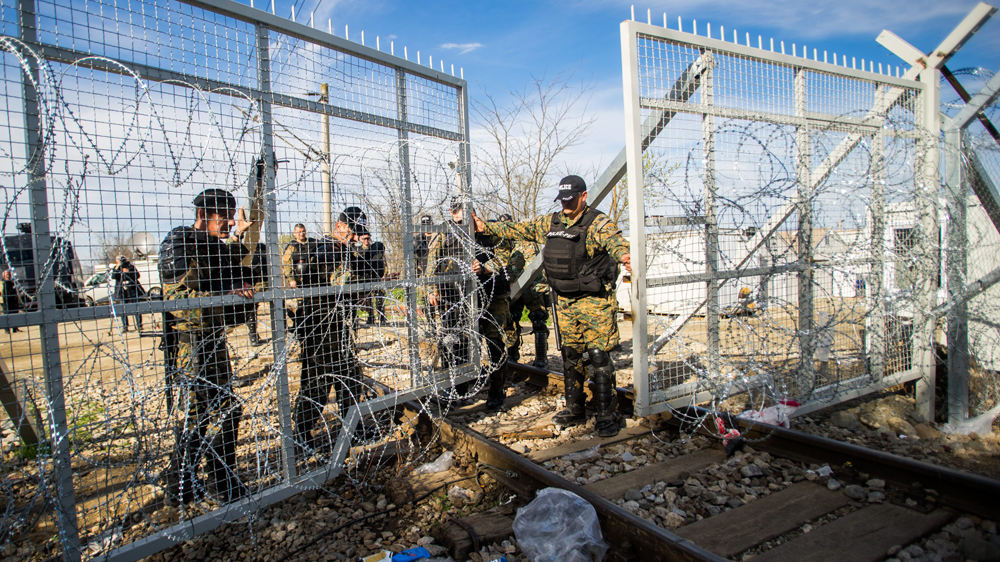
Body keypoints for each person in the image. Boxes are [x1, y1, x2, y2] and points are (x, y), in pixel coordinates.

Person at [473, 175, 632, 437]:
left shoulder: (598, 223)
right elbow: (519, 229)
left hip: (594, 302)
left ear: (584, 196)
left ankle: (606, 414)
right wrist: (486, 227)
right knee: (571, 354)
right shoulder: (552, 222)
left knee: (598, 356)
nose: (565, 205)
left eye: (571, 200)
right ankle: (575, 408)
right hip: (566, 301)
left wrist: (624, 256)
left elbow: (615, 242)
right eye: (562, 200)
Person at [159, 188, 256, 504]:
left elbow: (225, 268)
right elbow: (175, 300)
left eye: (232, 216)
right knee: (200, 414)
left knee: (214, 412)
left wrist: (239, 242)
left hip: (213, 340)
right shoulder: (179, 243)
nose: (231, 222)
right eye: (225, 216)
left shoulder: (214, 245)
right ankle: (205, 482)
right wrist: (223, 300)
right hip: (191, 345)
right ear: (203, 214)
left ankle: (189, 482)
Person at [292, 206, 372, 453]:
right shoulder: (327, 251)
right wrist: (364, 287)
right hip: (320, 327)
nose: (356, 237)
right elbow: (342, 285)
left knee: (349, 378)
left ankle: (352, 428)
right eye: (352, 231)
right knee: (318, 382)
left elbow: (356, 286)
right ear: (339, 226)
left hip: (338, 326)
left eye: (359, 232)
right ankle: (301, 433)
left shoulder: (344, 251)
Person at [427, 197, 513, 411]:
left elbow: (505, 257)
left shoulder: (489, 231)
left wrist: (486, 267)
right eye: (457, 219)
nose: (462, 224)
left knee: (495, 344)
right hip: (459, 297)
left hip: (492, 296)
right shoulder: (444, 233)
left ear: (473, 213)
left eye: (465, 218)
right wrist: (431, 288)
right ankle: (458, 389)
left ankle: (497, 392)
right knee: (457, 343)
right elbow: (432, 263)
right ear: (451, 213)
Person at [508, 240, 551, 368]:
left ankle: (541, 357)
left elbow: (535, 263)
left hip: (534, 286)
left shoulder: (529, 241)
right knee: (512, 319)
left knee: (539, 319)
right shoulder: (505, 241)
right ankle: (512, 355)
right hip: (513, 286)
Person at [282, 223, 313, 335]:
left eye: (303, 231)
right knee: (300, 305)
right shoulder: (292, 246)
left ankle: (309, 326)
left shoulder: (312, 243)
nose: (301, 234)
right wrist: (291, 278)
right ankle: (298, 327)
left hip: (312, 278)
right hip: (299, 280)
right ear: (294, 233)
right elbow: (287, 264)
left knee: (311, 304)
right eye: (299, 232)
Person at [110, 256, 145, 332]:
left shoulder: (130, 266)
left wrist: (128, 272)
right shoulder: (116, 268)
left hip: (132, 289)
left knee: (136, 307)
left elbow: (137, 276)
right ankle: (125, 326)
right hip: (122, 290)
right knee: (123, 309)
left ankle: (139, 325)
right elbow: (114, 276)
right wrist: (118, 267)